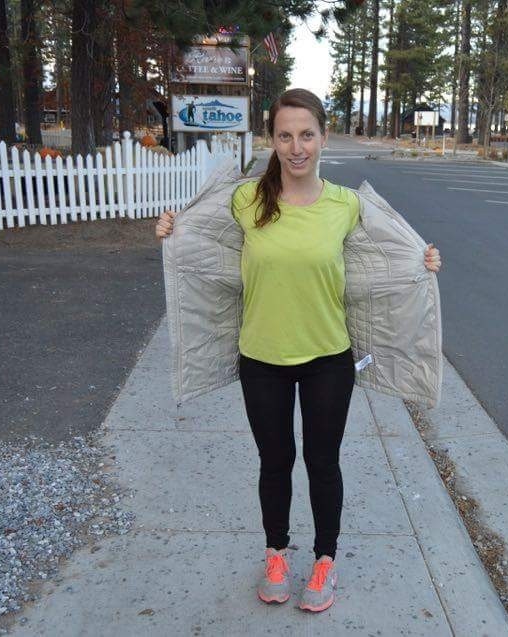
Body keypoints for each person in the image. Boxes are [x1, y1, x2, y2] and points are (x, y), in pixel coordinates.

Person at [155, 88, 441, 613]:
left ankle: (325, 559)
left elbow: (385, 256)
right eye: (285, 136)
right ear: (272, 139)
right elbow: (201, 237)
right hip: (261, 358)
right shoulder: (246, 200)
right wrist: (172, 228)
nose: (296, 147)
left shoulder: (347, 205)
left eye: (306, 134)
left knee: (322, 462)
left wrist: (420, 261)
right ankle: (276, 555)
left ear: (323, 137)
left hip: (328, 359)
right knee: (275, 461)